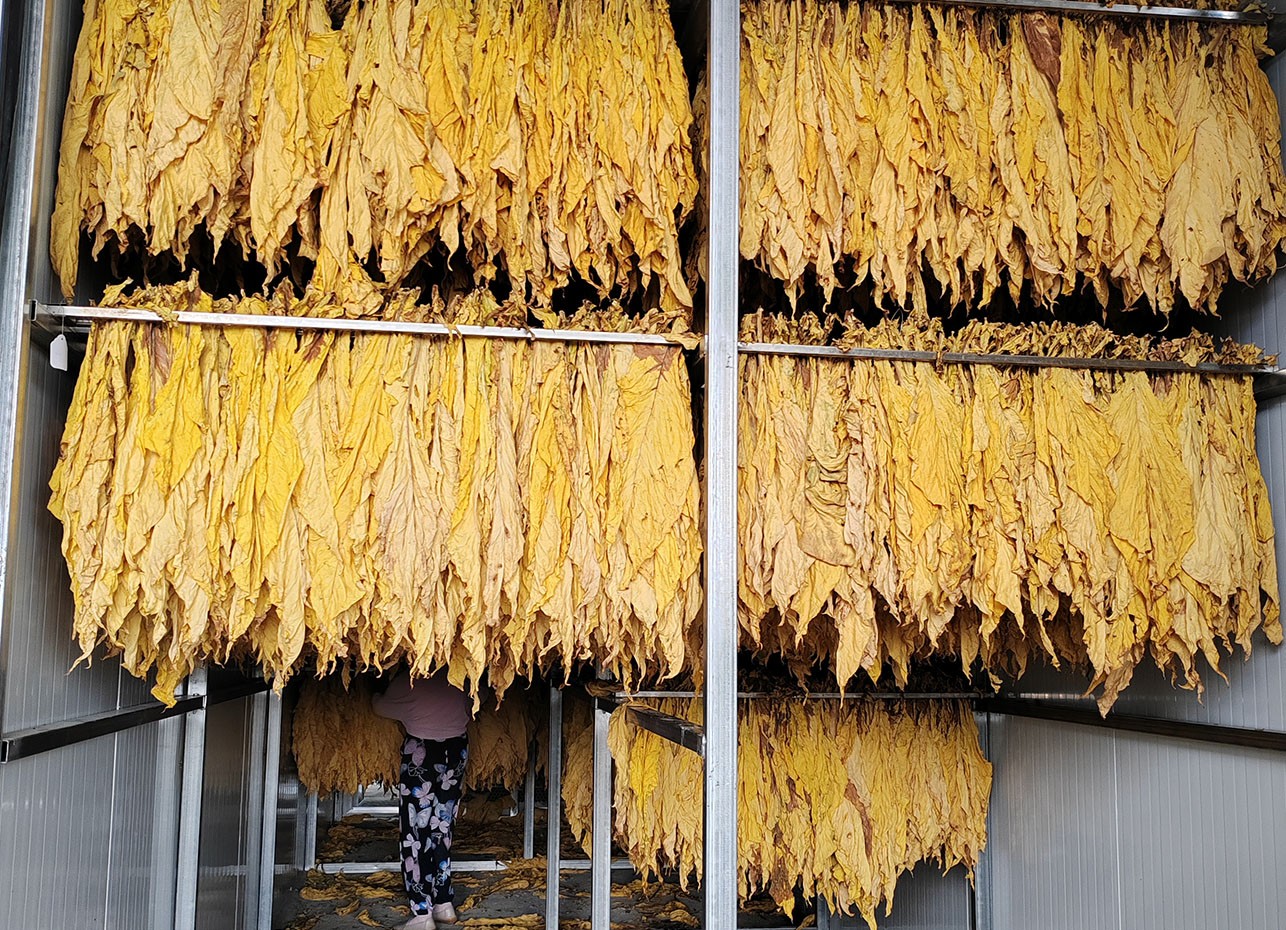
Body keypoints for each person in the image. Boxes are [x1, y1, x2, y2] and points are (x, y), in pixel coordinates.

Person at [372, 669, 472, 930]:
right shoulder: (462, 674)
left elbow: (380, 707)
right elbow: (478, 698)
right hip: (456, 751)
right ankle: (444, 904)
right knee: (442, 828)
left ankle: (421, 913)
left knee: (414, 834)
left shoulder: (408, 680)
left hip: (421, 752)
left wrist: (373, 692)